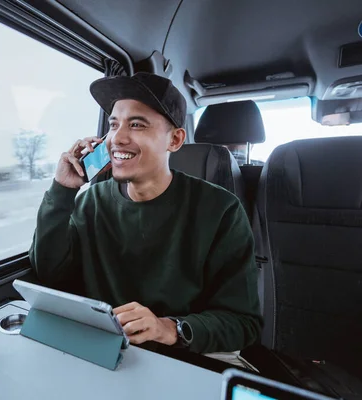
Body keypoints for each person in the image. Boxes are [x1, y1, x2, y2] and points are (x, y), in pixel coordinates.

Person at [28, 72, 261, 354]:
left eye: (137, 124)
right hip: (102, 349)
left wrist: (169, 328)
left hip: (183, 355)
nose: (118, 138)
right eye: (113, 125)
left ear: (174, 140)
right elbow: (50, 274)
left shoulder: (222, 210)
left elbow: (243, 323)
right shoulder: (89, 202)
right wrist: (62, 190)